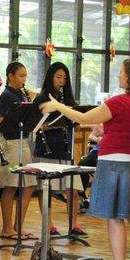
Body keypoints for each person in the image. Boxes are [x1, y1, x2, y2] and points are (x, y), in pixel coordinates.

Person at [40, 58, 130, 260]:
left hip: (114, 164)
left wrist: (57, 106)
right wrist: (105, 128)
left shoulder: (118, 102)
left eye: (121, 72)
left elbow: (82, 118)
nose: (119, 75)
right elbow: (127, 127)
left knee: (114, 217)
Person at [32, 62, 85, 236]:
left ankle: (73, 224)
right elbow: (37, 126)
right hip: (47, 149)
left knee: (73, 190)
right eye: (58, 77)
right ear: (50, 77)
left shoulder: (68, 100)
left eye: (64, 78)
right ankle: (49, 224)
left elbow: (77, 126)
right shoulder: (41, 99)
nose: (62, 81)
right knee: (45, 189)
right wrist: (55, 124)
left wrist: (74, 121)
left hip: (65, 150)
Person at [0, 62, 37, 240]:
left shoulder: (21, 94)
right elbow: (4, 122)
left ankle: (18, 225)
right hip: (12, 143)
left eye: (25, 76)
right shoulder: (6, 95)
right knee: (11, 186)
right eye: (21, 76)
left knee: (28, 185)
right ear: (10, 76)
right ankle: (7, 228)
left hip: (23, 141)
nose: (24, 79)